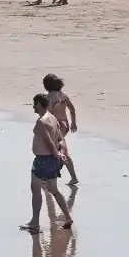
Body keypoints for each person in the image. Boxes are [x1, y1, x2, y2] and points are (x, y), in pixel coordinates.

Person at [21, 94, 75, 233]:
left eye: (35, 104)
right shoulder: (53, 118)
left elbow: (49, 142)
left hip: (43, 160)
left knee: (35, 189)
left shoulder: (41, 121)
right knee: (54, 190)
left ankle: (35, 222)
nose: (33, 106)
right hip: (52, 161)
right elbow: (60, 139)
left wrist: (57, 153)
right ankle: (67, 218)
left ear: (41, 104)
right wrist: (61, 152)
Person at [42, 73, 79, 183]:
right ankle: (71, 176)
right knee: (59, 148)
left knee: (56, 150)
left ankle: (51, 175)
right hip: (65, 125)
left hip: (56, 126)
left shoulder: (48, 97)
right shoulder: (63, 94)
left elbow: (48, 115)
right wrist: (73, 123)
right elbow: (72, 109)